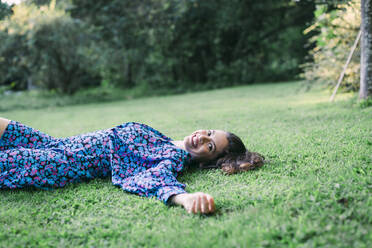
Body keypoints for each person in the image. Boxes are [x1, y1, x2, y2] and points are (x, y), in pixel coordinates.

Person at [0, 117, 264, 214]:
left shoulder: (170, 158)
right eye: (208, 131)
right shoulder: (163, 140)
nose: (202, 137)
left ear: (210, 161)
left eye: (210, 146)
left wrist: (184, 198)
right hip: (55, 143)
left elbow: (156, 180)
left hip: (58, 162)